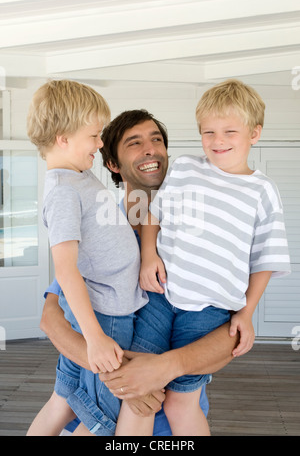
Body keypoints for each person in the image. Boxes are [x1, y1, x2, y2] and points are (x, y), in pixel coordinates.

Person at [41, 109, 241, 436]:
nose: (151, 149)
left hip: (173, 425)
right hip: (93, 419)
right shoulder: (97, 228)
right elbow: (51, 317)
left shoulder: (201, 230)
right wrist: (122, 378)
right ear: (112, 164)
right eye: (135, 142)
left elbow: (233, 331)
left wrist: (161, 370)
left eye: (157, 140)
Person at [113, 79, 291, 436]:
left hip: (210, 308)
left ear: (254, 134)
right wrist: (149, 256)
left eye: (229, 131)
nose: (217, 140)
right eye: (207, 132)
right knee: (137, 388)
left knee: (181, 402)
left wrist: (246, 311)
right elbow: (154, 214)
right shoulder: (185, 168)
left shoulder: (262, 191)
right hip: (159, 295)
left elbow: (266, 259)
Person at [26, 80, 150, 436]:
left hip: (102, 310)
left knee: (61, 402)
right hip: (106, 315)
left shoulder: (76, 176)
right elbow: (65, 270)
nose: (99, 143)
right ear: (63, 137)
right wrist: (95, 338)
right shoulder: (64, 191)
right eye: (94, 136)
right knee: (102, 418)